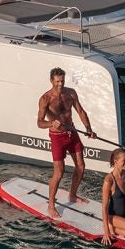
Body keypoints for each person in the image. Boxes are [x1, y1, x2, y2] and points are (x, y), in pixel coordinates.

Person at [36, 67, 95, 218]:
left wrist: (88, 128)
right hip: (57, 137)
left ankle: (72, 195)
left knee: (81, 166)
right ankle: (51, 205)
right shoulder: (45, 99)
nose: (60, 84)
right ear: (51, 81)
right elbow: (39, 122)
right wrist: (50, 124)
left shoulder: (71, 93)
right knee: (59, 172)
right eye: (57, 82)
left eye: (62, 81)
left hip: (72, 133)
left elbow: (81, 112)